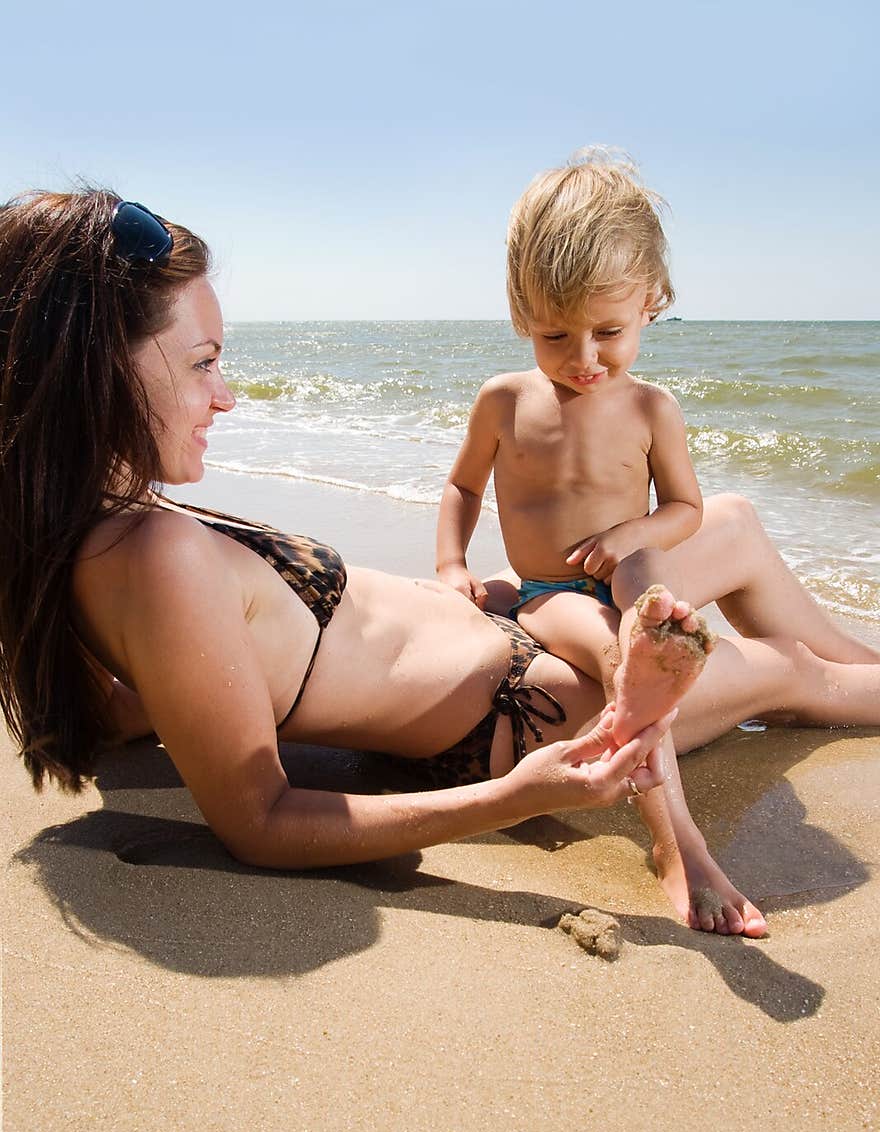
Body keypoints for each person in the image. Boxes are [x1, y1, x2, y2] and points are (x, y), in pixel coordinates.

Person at [1, 191, 877, 940]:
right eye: (202, 363)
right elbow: (261, 823)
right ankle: (683, 837)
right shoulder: (148, 556)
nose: (227, 394)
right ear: (91, 372)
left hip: (511, 623)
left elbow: (149, 701)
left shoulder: (104, 533)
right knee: (792, 672)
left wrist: (459, 591)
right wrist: (520, 797)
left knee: (729, 520)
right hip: (533, 707)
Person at [434, 148, 872, 934]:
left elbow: (685, 509)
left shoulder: (651, 409)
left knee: (646, 613)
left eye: (608, 331)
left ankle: (683, 643)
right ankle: (680, 849)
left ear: (651, 303)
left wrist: (635, 530)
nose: (584, 359)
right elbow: (464, 486)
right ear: (519, 314)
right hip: (550, 594)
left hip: (634, 566)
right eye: (554, 335)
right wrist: (452, 565)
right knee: (620, 661)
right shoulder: (503, 402)